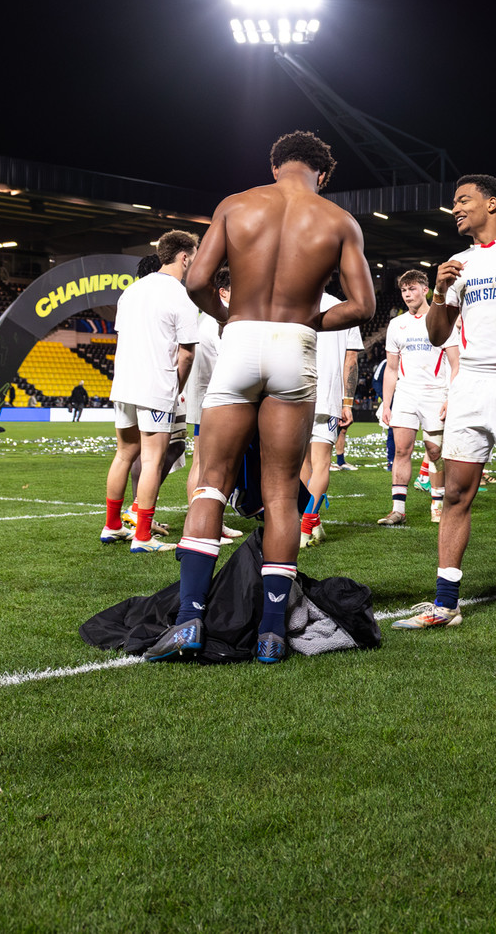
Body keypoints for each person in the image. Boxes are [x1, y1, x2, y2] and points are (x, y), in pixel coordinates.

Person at [144, 131, 374, 664]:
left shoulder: (236, 205)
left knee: (210, 484)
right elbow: (362, 306)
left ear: (275, 166)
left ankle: (188, 622)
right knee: (279, 494)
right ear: (323, 172)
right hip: (296, 344)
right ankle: (272, 632)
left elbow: (197, 280)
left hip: (242, 338)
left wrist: (229, 319)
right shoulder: (339, 221)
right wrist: (312, 320)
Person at [391, 174, 496, 630]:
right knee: (454, 494)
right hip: (467, 388)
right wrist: (438, 292)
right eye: (453, 202)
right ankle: (446, 604)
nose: (455, 208)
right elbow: (436, 335)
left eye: (463, 200)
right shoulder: (456, 263)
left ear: (492, 203)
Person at [101, 230, 199, 552]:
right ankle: (142, 536)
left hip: (124, 383)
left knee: (124, 454)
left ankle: (113, 525)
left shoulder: (131, 292)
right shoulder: (180, 295)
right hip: (155, 385)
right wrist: (177, 388)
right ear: (184, 256)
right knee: (153, 459)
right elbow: (186, 353)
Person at [377, 270, 458, 526]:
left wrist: (451, 397)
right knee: (402, 450)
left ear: (426, 290)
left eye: (412, 289)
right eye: (403, 290)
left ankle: (438, 504)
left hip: (436, 395)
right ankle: (398, 509)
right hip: (406, 395)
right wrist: (386, 404)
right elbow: (391, 369)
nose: (407, 294)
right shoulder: (396, 324)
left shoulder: (443, 320)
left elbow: (456, 364)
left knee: (435, 452)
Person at [300, 286, 365, 547]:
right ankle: (309, 522)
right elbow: (351, 360)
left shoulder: (293, 300)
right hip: (328, 396)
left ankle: (306, 522)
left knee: (302, 463)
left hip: (296, 393)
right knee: (322, 463)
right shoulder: (344, 308)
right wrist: (346, 403)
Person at [183, 266, 242, 544]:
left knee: (206, 461)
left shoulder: (206, 319)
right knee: (204, 463)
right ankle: (202, 523)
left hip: (202, 397)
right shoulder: (218, 321)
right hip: (210, 399)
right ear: (223, 292)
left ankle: (210, 521)